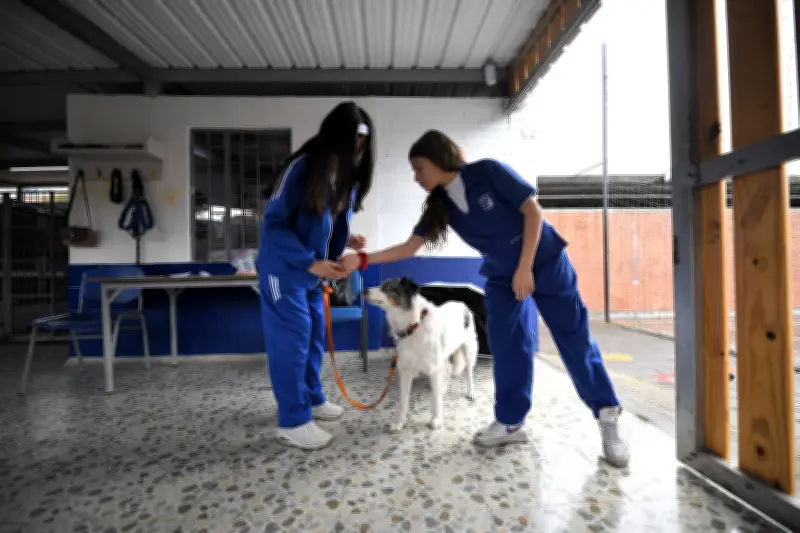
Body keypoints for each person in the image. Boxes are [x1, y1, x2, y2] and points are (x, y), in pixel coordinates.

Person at [341, 130, 630, 467]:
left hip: (545, 261)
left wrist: (525, 268)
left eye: (419, 168)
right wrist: (360, 260)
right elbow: (408, 248)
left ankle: (607, 416)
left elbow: (534, 213)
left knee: (574, 339)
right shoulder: (441, 205)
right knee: (508, 345)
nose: (416, 177)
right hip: (502, 277)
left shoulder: (488, 171)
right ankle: (511, 422)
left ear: (437, 160)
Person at [257, 102, 373, 450]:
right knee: (291, 342)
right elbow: (275, 226)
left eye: (363, 145)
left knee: (313, 338)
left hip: (311, 274)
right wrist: (311, 261)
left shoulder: (344, 179)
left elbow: (325, 223)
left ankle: (312, 399)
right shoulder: (301, 169)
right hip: (285, 270)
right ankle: (293, 421)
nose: (358, 152)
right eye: (354, 143)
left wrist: (342, 243)